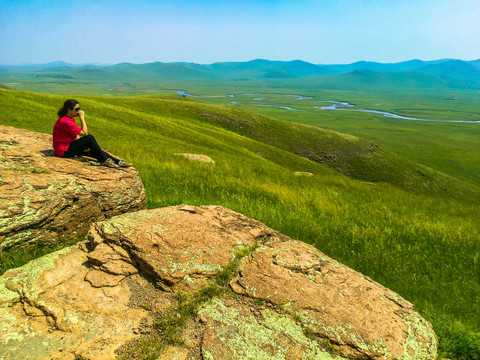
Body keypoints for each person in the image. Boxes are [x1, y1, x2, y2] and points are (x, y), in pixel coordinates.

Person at [52, 99, 130, 167]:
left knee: (95, 150)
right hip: (63, 151)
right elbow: (85, 133)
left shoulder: (70, 119)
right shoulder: (65, 121)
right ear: (69, 110)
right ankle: (105, 161)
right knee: (89, 138)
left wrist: (83, 145)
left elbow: (75, 135)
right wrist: (82, 117)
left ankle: (118, 162)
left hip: (67, 148)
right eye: (76, 109)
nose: (79, 111)